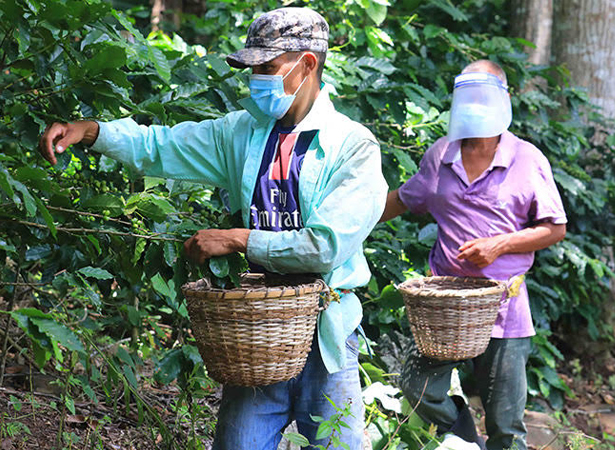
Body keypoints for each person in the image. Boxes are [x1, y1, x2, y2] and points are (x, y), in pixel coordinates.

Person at [38, 7, 387, 450]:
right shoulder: (243, 133)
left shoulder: (352, 146)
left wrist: (239, 239)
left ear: (308, 64)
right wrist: (93, 133)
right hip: (257, 330)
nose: (256, 78)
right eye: (252, 68)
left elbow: (324, 247)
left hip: (326, 337)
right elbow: (161, 146)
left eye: (267, 67)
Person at [380, 60, 567, 450]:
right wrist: (341, 222)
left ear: (504, 97)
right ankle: (468, 441)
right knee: (417, 389)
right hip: (446, 306)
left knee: (506, 424)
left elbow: (554, 228)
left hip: (504, 307)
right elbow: (404, 198)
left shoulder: (527, 158)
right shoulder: (442, 154)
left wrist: (500, 243)